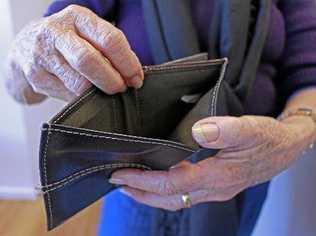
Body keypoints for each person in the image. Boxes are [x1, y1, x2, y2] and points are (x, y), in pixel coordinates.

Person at [5, 0, 316, 235]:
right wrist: (26, 54)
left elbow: (308, 71)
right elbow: (23, 83)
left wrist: (296, 133)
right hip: (132, 183)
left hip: (246, 177)